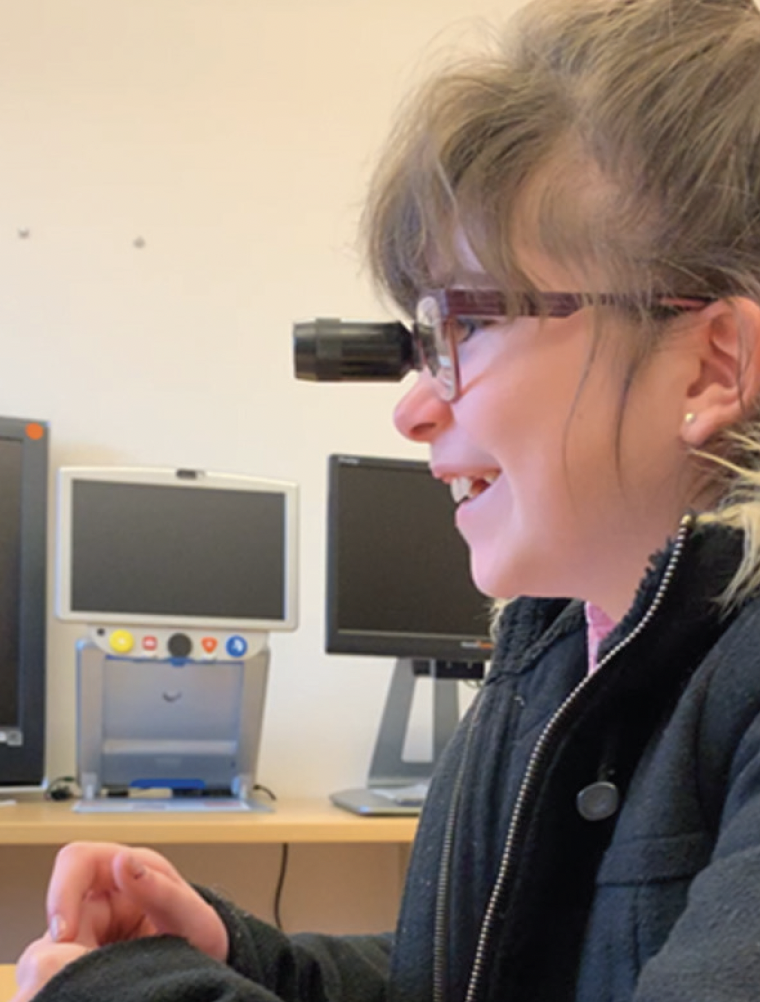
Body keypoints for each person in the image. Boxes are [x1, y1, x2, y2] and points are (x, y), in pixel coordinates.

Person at [13, 0, 760, 998]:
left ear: (709, 368)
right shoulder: (551, 652)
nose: (412, 409)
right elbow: (474, 976)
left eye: (468, 325)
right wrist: (244, 960)